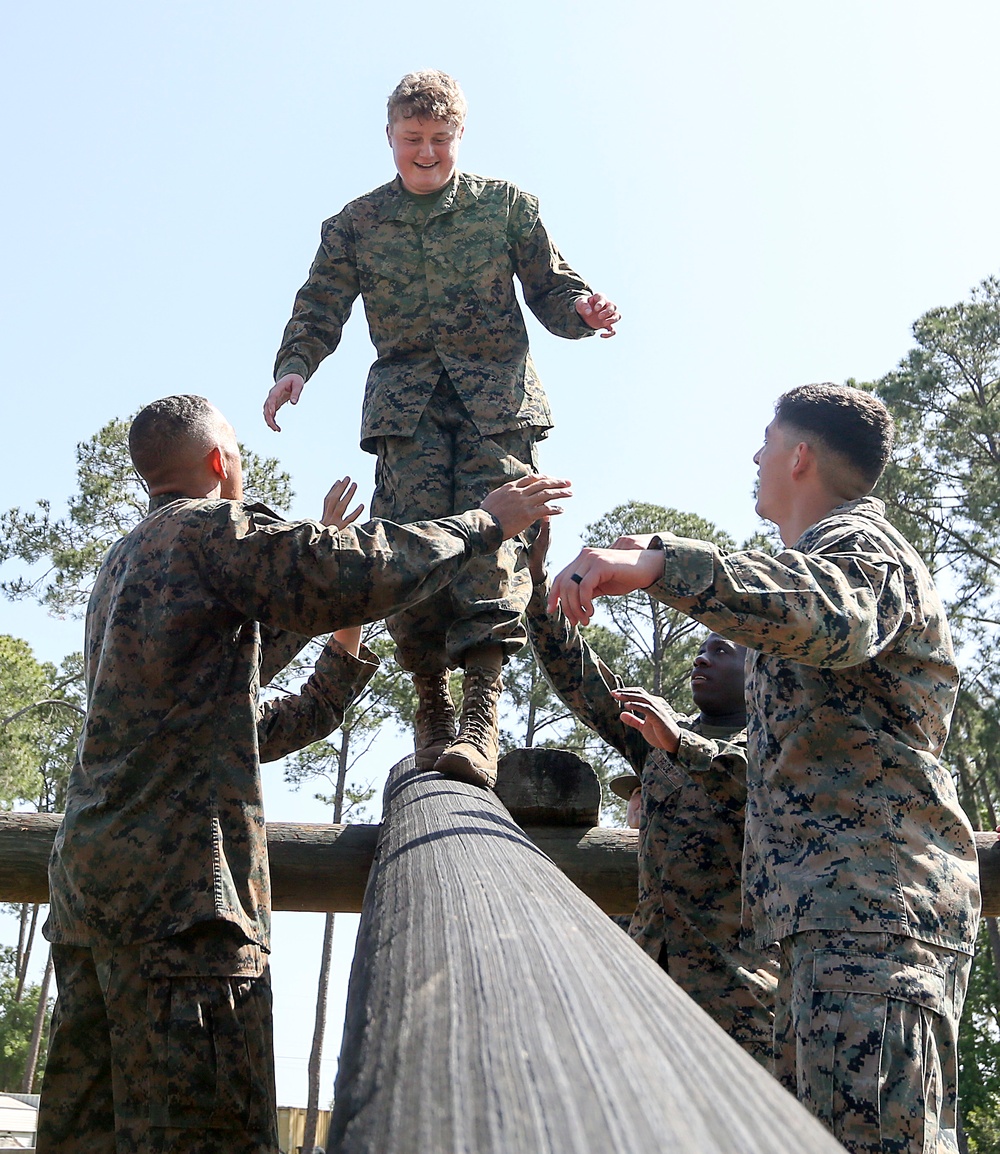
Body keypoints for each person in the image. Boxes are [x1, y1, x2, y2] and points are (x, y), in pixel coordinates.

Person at [36, 394, 571, 1154]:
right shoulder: (210, 527)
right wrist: (485, 519)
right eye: (238, 450)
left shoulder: (124, 565)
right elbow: (357, 571)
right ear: (221, 463)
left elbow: (239, 705)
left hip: (91, 901)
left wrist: (339, 634)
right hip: (185, 911)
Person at [549, 383, 981, 1153]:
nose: (755, 458)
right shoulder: (823, 557)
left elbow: (828, 613)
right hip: (828, 931)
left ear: (800, 456)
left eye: (766, 442)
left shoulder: (862, 549)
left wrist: (657, 564)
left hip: (876, 926)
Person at [262, 68, 620, 789]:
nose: (425, 153)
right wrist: (295, 365)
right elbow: (319, 305)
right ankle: (432, 708)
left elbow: (553, 286)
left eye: (439, 140)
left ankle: (481, 720)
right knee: (410, 551)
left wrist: (582, 311)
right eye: (411, 139)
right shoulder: (357, 223)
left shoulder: (506, 208)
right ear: (390, 137)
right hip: (407, 409)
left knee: (496, 548)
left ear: (459, 136)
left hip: (497, 403)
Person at [526, 527, 776, 1065]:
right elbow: (587, 687)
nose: (702, 660)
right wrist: (540, 587)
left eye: (722, 650)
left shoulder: (779, 746)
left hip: (739, 1002)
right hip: (645, 993)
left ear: (757, 671)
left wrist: (679, 741)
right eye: (700, 650)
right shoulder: (657, 739)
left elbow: (746, 786)